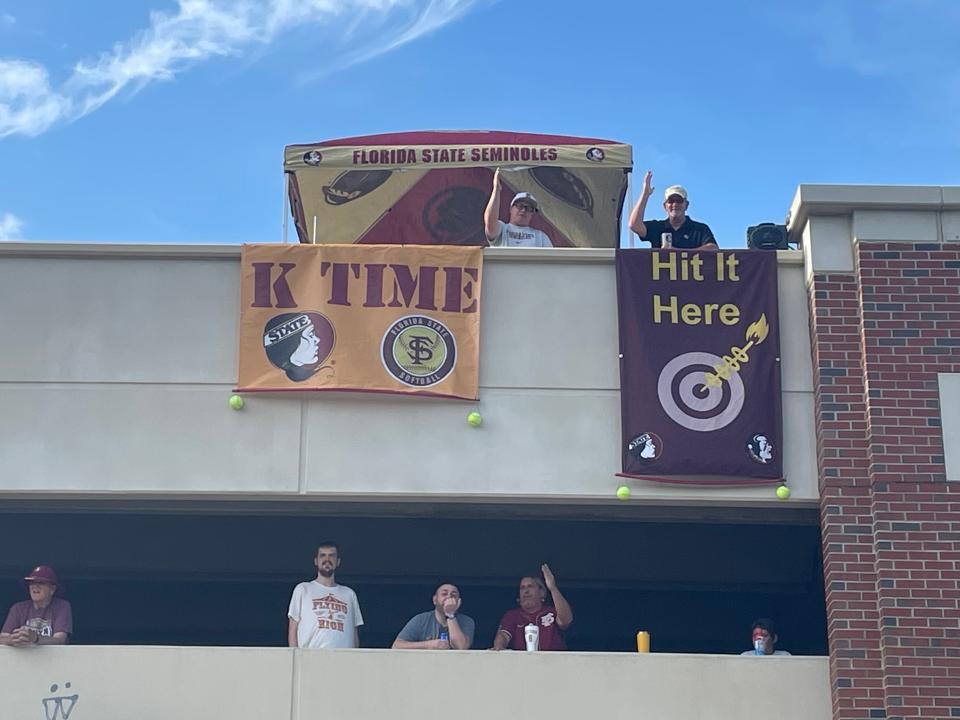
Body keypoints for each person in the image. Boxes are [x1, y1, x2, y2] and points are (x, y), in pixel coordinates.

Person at [288, 541, 363, 649]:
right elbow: (293, 628)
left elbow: (354, 633)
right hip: (310, 658)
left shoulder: (349, 594)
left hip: (343, 660)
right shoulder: (303, 589)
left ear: (338, 562)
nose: (327, 559)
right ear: (316, 561)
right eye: (323, 555)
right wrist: (294, 658)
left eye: (331, 555)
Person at [628, 170, 717, 249]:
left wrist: (678, 253)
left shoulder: (700, 229)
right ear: (665, 206)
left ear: (686, 205)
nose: (675, 204)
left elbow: (713, 248)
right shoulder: (657, 227)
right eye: (671, 201)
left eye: (679, 201)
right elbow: (634, 225)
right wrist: (645, 194)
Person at [492, 564, 573, 650]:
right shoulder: (512, 616)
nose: (526, 591)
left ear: (542, 592)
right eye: (522, 588)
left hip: (554, 662)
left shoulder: (552, 612)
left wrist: (552, 587)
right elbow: (503, 636)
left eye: (530, 586)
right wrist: (499, 647)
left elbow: (566, 621)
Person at [0, 565, 72, 647]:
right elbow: (2, 637)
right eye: (32, 583)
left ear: (52, 589)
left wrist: (35, 638)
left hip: (52, 658)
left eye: (41, 583)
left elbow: (60, 640)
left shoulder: (61, 606)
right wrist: (13, 639)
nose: (35, 586)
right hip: (22, 657)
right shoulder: (18, 608)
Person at [392, 582, 475, 650]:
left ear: (459, 601)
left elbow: (461, 647)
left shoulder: (467, 621)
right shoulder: (420, 620)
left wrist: (450, 615)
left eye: (453, 595)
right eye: (444, 594)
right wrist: (428, 645)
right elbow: (397, 646)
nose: (449, 597)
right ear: (435, 600)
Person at [484, 168, 552, 248]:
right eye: (520, 206)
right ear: (511, 209)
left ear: (532, 214)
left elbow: (552, 259)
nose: (523, 210)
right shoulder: (501, 229)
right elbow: (490, 220)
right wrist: (496, 189)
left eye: (528, 208)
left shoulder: (541, 237)